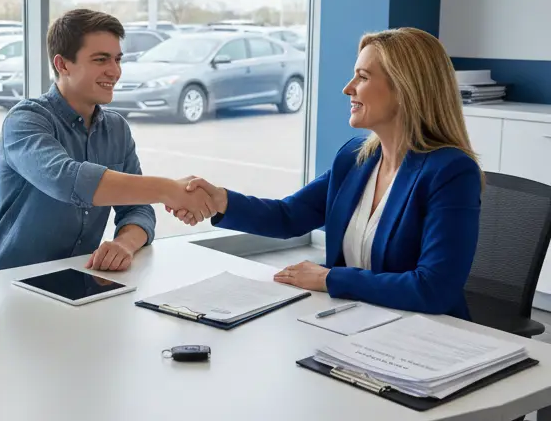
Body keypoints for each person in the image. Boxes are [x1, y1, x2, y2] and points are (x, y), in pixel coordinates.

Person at [0, 8, 244, 421]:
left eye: (118, 59)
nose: (115, 71)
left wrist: (127, 241)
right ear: (62, 63)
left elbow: (138, 212)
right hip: (17, 291)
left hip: (87, 283)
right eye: (101, 59)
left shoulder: (116, 128)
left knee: (171, 356)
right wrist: (171, 188)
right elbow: (67, 179)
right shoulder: (26, 121)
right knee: (87, 383)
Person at [174, 27, 482, 318]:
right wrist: (220, 200)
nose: (348, 88)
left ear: (404, 89)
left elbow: (433, 289)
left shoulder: (451, 172)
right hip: (356, 322)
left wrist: (329, 278)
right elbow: (288, 216)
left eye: (362, 77)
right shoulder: (355, 158)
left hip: (426, 334)